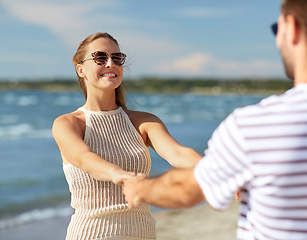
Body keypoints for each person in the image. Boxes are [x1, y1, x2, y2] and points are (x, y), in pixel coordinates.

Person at [123, 0, 307, 239]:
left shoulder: (254, 126)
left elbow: (185, 190)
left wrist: (141, 189)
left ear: (292, 28)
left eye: (276, 29)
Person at [52, 32, 202, 240]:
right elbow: (83, 158)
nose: (110, 63)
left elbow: (177, 153)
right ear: (81, 70)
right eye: (100, 57)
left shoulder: (143, 121)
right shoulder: (68, 123)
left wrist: (219, 172)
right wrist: (121, 176)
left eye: (117, 58)